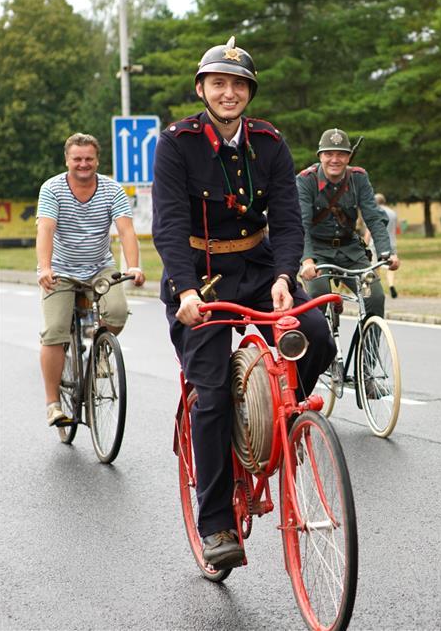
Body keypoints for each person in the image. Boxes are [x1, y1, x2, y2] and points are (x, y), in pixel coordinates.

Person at [152, 36, 335, 570]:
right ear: (202, 89)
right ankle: (216, 525)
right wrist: (184, 289)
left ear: (249, 92)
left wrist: (283, 276)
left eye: (238, 85)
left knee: (316, 336)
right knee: (209, 396)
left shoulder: (270, 142)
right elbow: (168, 222)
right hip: (200, 278)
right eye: (219, 83)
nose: (229, 92)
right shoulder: (177, 143)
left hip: (258, 270)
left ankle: (273, 422)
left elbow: (287, 214)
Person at [36, 133, 146, 427]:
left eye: (89, 159)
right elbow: (46, 230)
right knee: (55, 330)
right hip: (60, 269)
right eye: (77, 159)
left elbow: (126, 232)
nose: (83, 164)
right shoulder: (53, 189)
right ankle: (53, 404)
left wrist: (133, 267)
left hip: (99, 266)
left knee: (118, 311)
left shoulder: (112, 190)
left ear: (97, 160)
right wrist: (44, 267)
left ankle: (99, 354)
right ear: (67, 160)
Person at [297, 128, 400, 318]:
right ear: (320, 156)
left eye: (341, 154)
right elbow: (301, 225)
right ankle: (318, 345)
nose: (335, 160)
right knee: (317, 296)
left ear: (349, 157)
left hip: (351, 251)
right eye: (329, 154)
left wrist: (387, 253)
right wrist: (307, 261)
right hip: (317, 252)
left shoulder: (358, 178)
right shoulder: (306, 181)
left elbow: (374, 218)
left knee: (375, 297)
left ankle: (369, 345)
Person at [364, 193, 400, 298]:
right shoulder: (393, 213)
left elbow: (369, 231)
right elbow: (396, 228)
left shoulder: (374, 212)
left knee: (375, 267)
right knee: (390, 266)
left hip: (376, 244)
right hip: (391, 243)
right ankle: (391, 285)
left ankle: (376, 288)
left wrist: (365, 244)